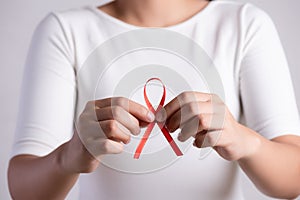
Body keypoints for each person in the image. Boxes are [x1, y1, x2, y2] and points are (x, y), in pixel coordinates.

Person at [7, 0, 300, 199]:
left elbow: (293, 179)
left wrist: (244, 141)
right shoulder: (65, 30)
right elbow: (22, 189)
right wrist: (69, 157)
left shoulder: (245, 25)